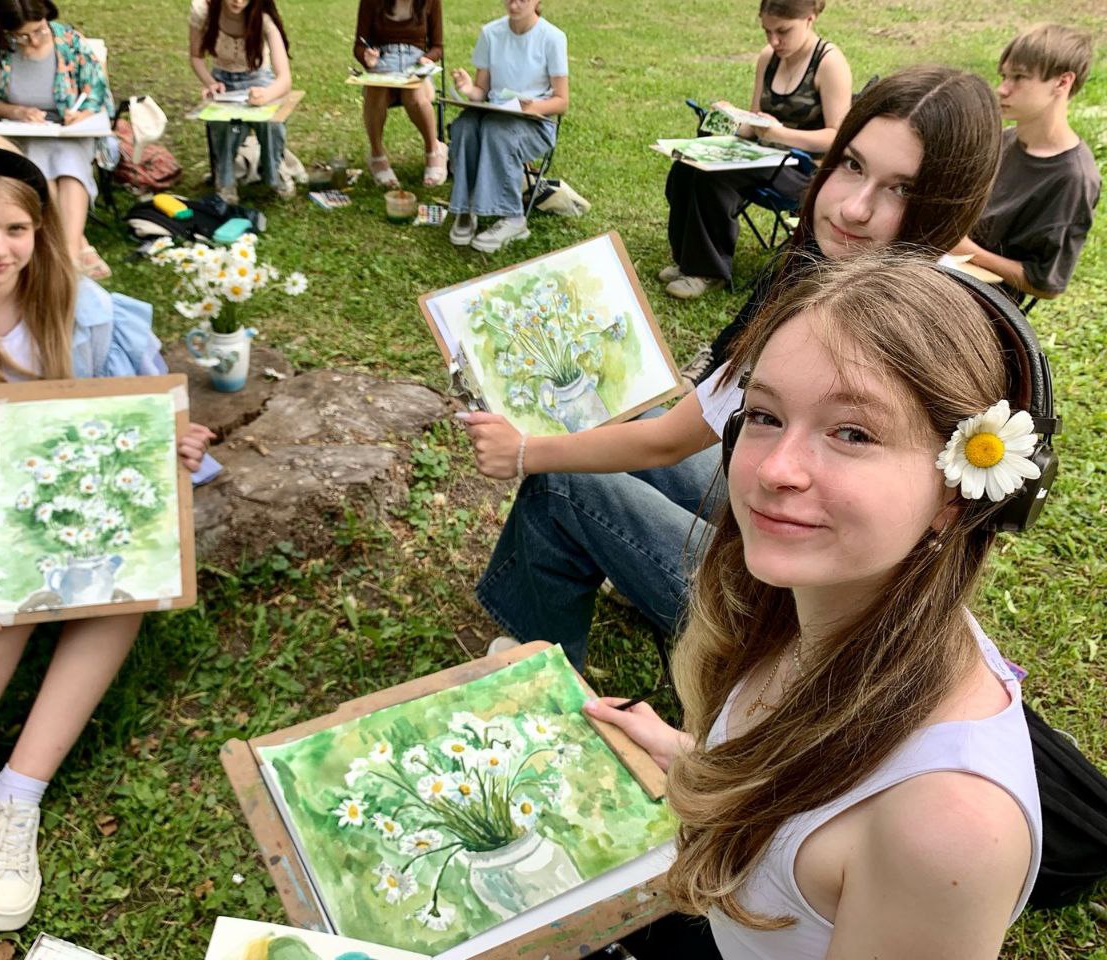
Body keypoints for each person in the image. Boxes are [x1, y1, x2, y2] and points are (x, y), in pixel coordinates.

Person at [460, 66, 1001, 670]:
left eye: (901, 189)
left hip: (790, 620)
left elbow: (670, 442)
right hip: (792, 534)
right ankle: (613, 555)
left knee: (562, 484)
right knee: (639, 423)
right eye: (852, 164)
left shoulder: (887, 327)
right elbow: (703, 413)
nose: (855, 208)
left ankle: (540, 671)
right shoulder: (836, 274)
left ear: (947, 208)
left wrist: (525, 452)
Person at [586, 253, 1047, 957]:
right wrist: (697, 761)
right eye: (764, 416)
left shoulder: (948, 828)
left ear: (957, 495)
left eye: (852, 432)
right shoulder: (812, 612)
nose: (774, 469)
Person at [0, 132, 217, 960]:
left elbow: (130, 414)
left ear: (39, 231)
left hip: (81, 488)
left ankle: (15, 792)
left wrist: (171, 443)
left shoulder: (83, 307)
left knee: (128, 578)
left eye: (16, 230)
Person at [660, 0, 850, 300]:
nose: (774, 41)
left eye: (783, 31)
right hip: (764, 156)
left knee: (714, 176)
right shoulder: (768, 57)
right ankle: (686, 259)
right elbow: (754, 122)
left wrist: (780, 133)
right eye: (767, 31)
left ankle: (707, 271)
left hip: (806, 171)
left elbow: (838, 137)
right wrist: (731, 119)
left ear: (809, 19)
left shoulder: (829, 63)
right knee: (686, 164)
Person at [955, 23, 1101, 302]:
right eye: (1004, 76)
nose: (1002, 89)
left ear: (1062, 82)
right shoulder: (1004, 139)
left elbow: (1046, 284)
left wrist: (970, 252)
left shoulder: (1073, 178)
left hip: (982, 305)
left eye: (1019, 77)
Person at [0, 0, 115, 279]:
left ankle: (67, 254)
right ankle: (75, 248)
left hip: (69, 128)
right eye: (23, 36)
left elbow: (97, 89)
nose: (34, 41)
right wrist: (17, 111)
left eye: (39, 30)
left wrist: (81, 113)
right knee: (38, 163)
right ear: (5, 31)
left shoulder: (68, 40)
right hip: (21, 130)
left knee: (70, 162)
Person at [447, 0, 567, 254]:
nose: (514, 4)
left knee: (497, 130)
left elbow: (561, 101)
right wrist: (469, 89)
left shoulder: (552, 38)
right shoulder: (490, 33)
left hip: (535, 122)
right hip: (495, 113)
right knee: (464, 126)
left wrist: (531, 107)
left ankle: (514, 218)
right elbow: (482, 91)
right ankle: (466, 207)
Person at [189, 0, 294, 203]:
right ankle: (225, 180)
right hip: (222, 79)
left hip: (259, 78)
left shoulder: (264, 18)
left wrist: (266, 95)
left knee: (271, 121)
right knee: (223, 124)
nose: (238, 1)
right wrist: (210, 83)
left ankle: (275, 172)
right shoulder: (203, 10)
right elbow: (196, 57)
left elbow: (284, 79)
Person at [353, 0, 446, 188]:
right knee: (375, 89)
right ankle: (377, 155)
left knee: (413, 93)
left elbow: (438, 47)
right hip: (383, 64)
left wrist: (427, 59)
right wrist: (366, 57)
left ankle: (434, 149)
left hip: (416, 63)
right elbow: (359, 46)